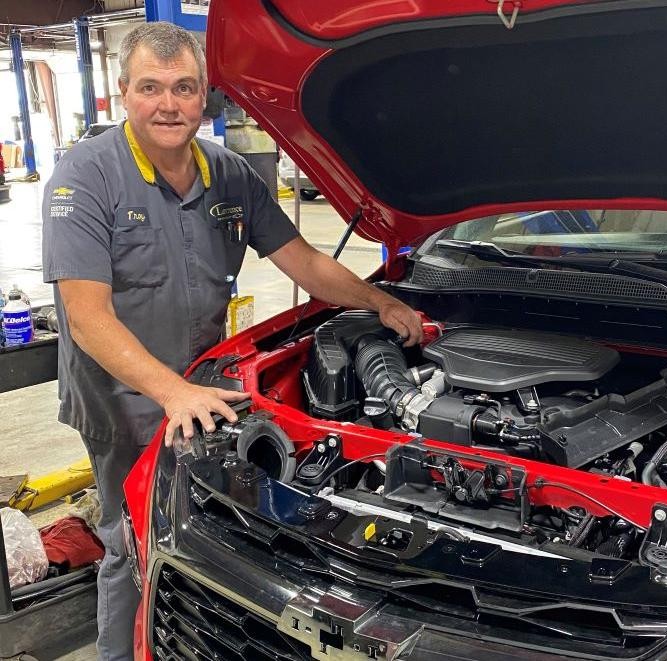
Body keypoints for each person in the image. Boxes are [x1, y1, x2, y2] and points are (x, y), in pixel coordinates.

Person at [41, 21, 422, 661]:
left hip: (208, 391)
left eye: (185, 88)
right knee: (133, 539)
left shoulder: (230, 174)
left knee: (211, 537)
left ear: (205, 95)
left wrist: (380, 299)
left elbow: (303, 261)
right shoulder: (86, 179)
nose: (169, 104)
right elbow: (88, 318)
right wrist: (171, 392)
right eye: (151, 88)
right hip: (124, 399)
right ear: (123, 94)